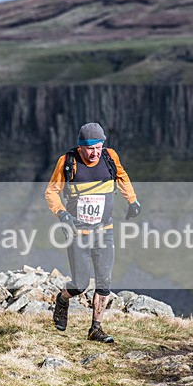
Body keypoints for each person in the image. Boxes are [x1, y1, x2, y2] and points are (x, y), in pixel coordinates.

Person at [45, 122, 141, 343]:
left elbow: (122, 177)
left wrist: (133, 201)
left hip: (104, 231)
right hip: (78, 234)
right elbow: (51, 192)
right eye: (90, 148)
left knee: (104, 282)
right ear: (81, 147)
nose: (95, 153)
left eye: (99, 147)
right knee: (80, 284)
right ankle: (62, 299)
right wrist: (62, 214)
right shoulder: (68, 162)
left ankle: (95, 329)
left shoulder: (110, 157)